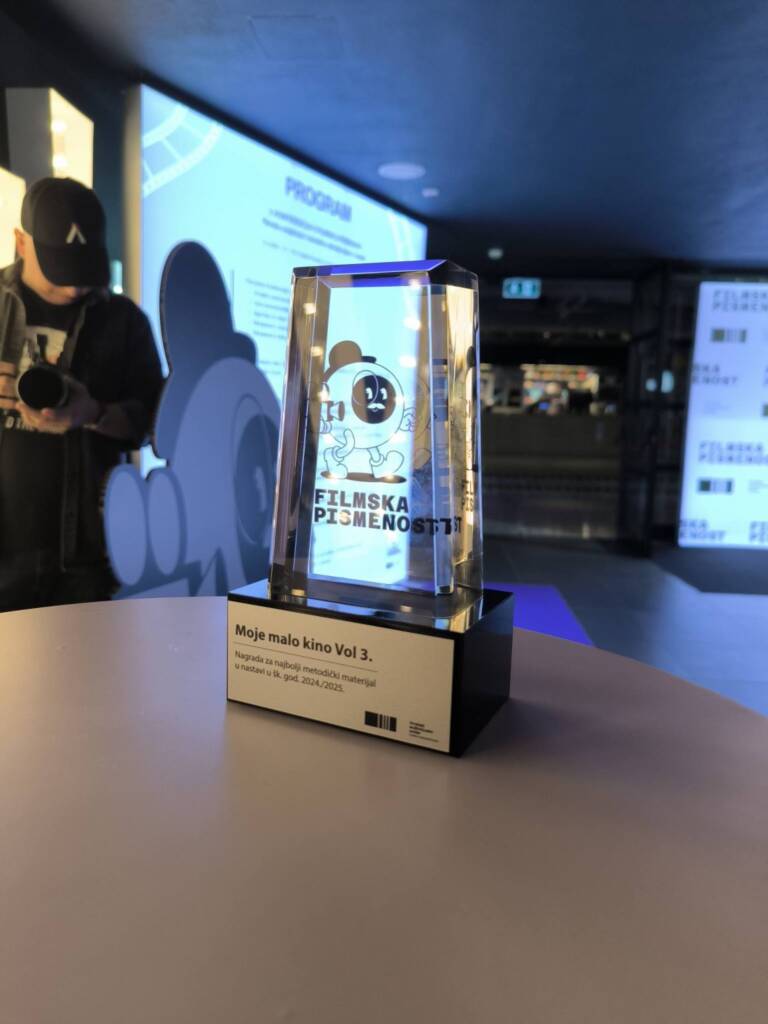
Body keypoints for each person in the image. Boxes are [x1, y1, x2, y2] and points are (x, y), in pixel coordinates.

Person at [0, 177, 163, 611]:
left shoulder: (123, 320)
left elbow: (152, 424)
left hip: (88, 558)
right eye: (60, 266)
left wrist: (92, 413)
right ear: (20, 242)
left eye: (83, 266)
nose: (75, 285)